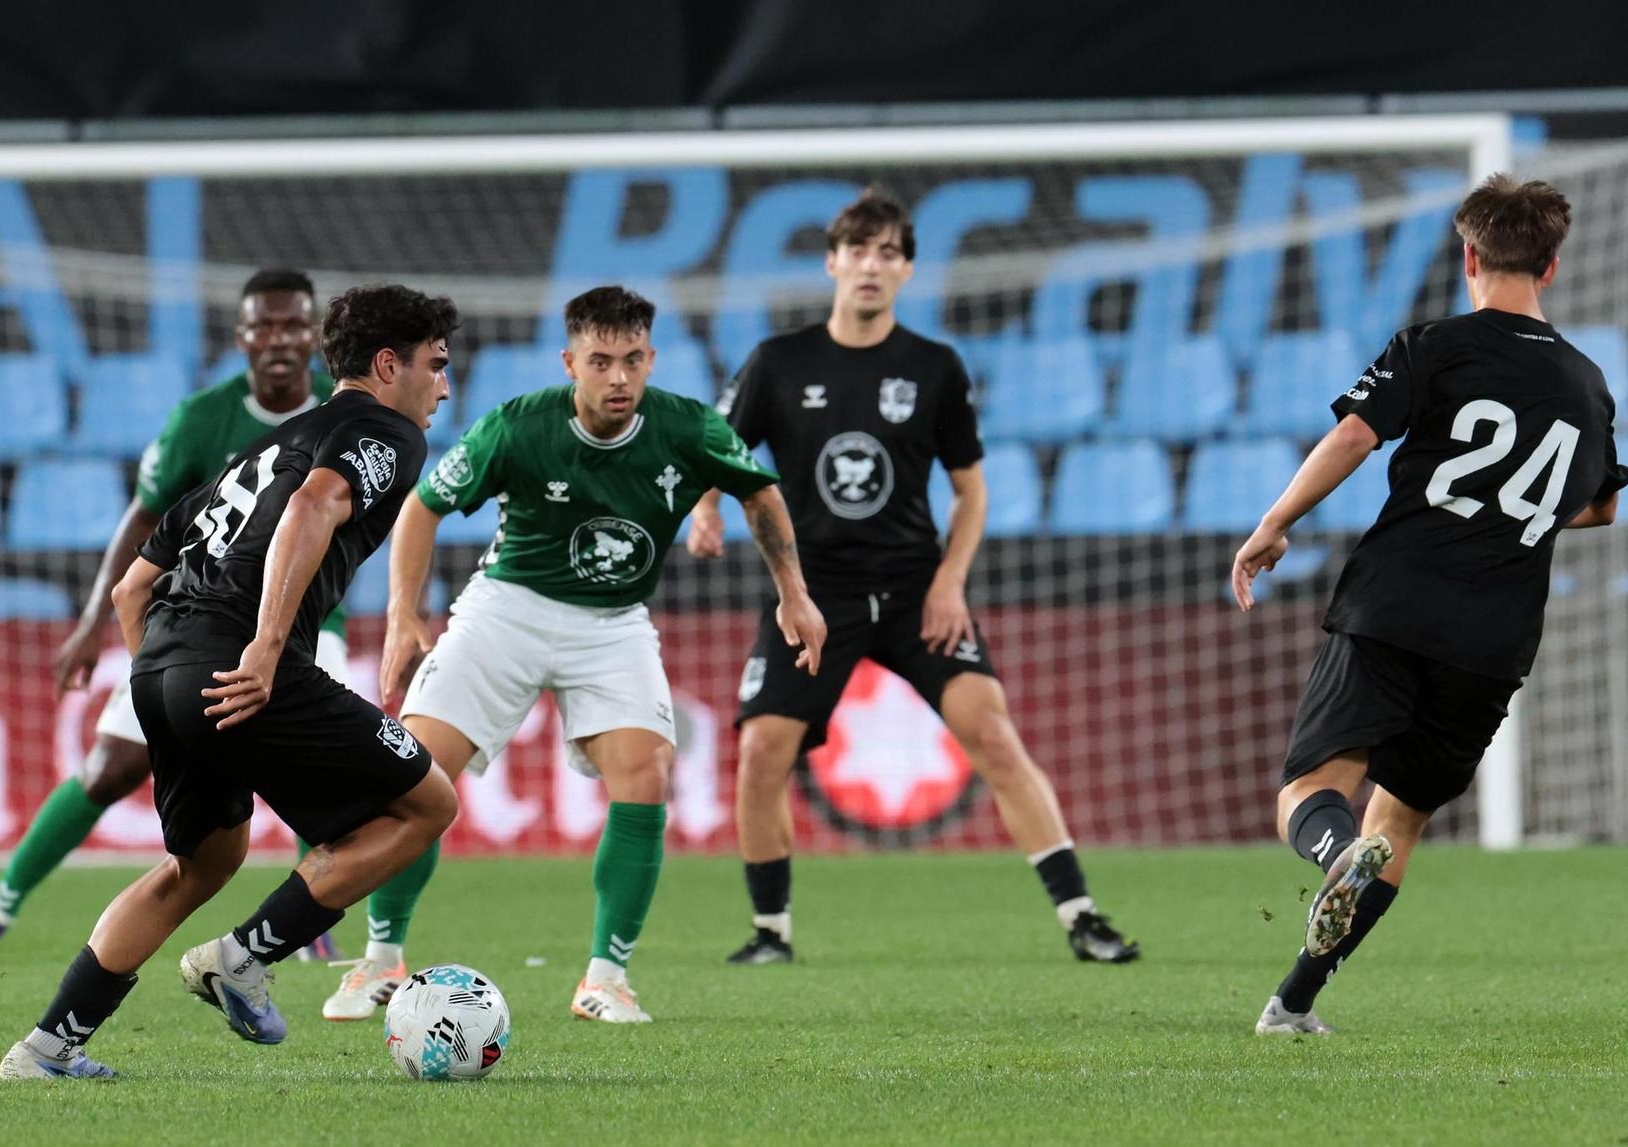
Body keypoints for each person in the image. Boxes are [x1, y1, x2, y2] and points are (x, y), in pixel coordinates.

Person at [316, 285, 826, 1026]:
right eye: (600, 361)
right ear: (570, 362)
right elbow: (424, 504)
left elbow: (761, 494)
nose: (618, 377)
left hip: (613, 623)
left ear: (651, 358)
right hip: (506, 608)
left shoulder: (689, 427)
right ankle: (382, 958)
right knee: (415, 772)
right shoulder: (519, 426)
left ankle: (606, 978)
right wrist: (402, 615)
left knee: (646, 774)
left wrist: (794, 593)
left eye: (631, 360)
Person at [0, 283, 458, 1080]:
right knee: (427, 802)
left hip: (161, 668)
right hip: (241, 663)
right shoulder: (383, 431)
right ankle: (245, 956)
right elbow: (316, 505)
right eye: (437, 365)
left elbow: (129, 590)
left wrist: (159, 674)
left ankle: (44, 1048)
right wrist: (267, 648)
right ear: (389, 365)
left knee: (201, 863)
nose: (444, 386)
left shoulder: (263, 449)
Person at [691, 189, 1138, 966]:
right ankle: (771, 933)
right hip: (815, 594)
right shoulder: (780, 362)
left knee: (993, 733)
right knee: (762, 750)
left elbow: (972, 491)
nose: (872, 264)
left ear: (906, 271)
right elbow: (716, 450)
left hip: (912, 591)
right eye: (858, 250)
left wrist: (950, 582)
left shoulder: (934, 368)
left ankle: (1082, 915)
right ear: (831, 262)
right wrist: (705, 509)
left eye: (889, 252)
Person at [1235, 175, 1623, 1035]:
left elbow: (1353, 435)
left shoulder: (1435, 344)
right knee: (1401, 820)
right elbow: (1600, 504)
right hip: (1496, 636)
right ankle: (1294, 1002)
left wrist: (1274, 522)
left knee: (1312, 788)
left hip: (1398, 600)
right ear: (1552, 266)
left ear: (1470, 256)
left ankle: (1335, 857)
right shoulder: (1589, 383)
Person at [0, 269, 352, 962]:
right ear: (242, 337)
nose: (279, 340)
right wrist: (94, 619)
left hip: (304, 626)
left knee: (318, 771)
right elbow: (144, 516)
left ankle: (312, 923)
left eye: (293, 326)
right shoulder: (204, 418)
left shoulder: (341, 422)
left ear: (315, 336)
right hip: (197, 620)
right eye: (264, 326)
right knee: (109, 766)